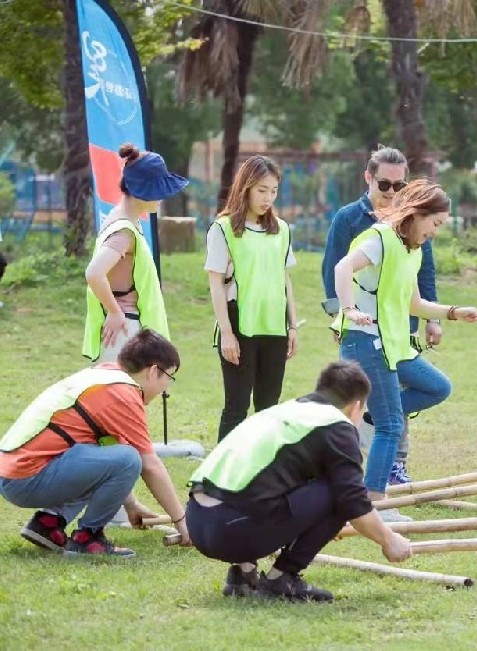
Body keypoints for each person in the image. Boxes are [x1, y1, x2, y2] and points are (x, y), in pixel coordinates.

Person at [185, 361, 412, 601]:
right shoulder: (337, 426)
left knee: (269, 481)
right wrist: (389, 539)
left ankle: (243, 573)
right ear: (357, 406)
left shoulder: (283, 412)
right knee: (337, 494)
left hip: (198, 522)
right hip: (233, 530)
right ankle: (281, 578)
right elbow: (353, 502)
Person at [333, 179, 477, 522]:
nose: (436, 232)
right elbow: (342, 267)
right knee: (391, 427)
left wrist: (452, 312)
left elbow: (414, 303)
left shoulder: (411, 250)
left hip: (394, 344)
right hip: (366, 341)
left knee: (438, 387)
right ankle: (375, 503)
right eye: (436, 224)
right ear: (417, 214)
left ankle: (371, 417)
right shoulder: (380, 239)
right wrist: (349, 308)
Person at [0, 329, 191, 557]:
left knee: (113, 453)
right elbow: (149, 465)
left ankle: (48, 524)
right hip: (26, 478)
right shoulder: (123, 393)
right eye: (169, 377)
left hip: (14, 473)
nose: (166, 389)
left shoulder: (104, 375)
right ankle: (87, 538)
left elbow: (106, 454)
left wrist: (131, 505)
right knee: (129, 457)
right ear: (153, 371)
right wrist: (182, 521)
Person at [321, 146, 441, 485]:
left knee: (394, 404)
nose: (391, 193)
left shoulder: (415, 218)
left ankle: (395, 464)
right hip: (363, 328)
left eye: (398, 186)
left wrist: (434, 318)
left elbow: (423, 273)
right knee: (367, 400)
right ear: (368, 178)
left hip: (400, 326)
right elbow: (333, 268)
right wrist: (341, 316)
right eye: (384, 185)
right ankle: (352, 469)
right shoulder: (349, 218)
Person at [206, 155, 299, 441]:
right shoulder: (222, 229)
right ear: (245, 187)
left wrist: (292, 326)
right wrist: (227, 334)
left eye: (273, 191)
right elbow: (216, 285)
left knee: (269, 409)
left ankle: (261, 477)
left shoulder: (281, 230)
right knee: (236, 408)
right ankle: (217, 482)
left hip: (274, 328)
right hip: (239, 327)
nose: (268, 198)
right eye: (262, 190)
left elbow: (285, 279)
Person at [83, 143, 188, 362]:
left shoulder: (121, 220)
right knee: (127, 396)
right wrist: (114, 311)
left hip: (127, 331)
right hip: (125, 332)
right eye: (158, 190)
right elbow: (94, 273)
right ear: (143, 190)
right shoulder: (124, 231)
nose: (161, 198)